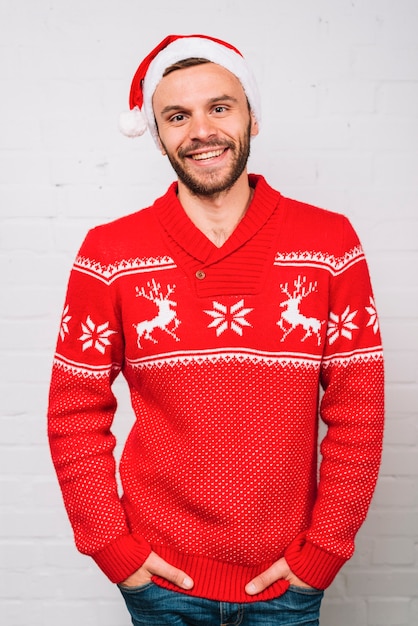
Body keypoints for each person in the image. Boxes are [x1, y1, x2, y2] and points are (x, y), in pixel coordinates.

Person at [47, 34, 385, 625]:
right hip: (159, 584)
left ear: (252, 115)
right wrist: (111, 547)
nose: (201, 130)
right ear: (158, 136)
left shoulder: (331, 244)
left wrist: (325, 550)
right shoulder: (109, 253)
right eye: (177, 116)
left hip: (289, 586)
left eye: (220, 107)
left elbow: (360, 410)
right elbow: (74, 412)